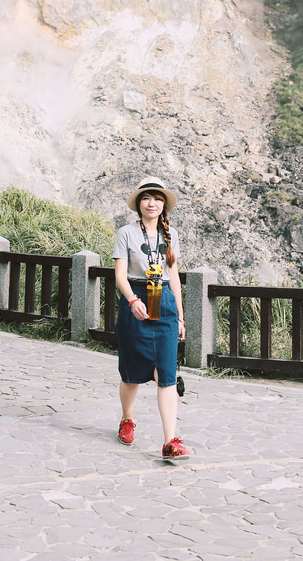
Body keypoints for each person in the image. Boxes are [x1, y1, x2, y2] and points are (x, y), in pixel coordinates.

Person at [113, 177, 189, 460]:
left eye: (157, 199)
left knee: (167, 373)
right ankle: (127, 418)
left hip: (164, 303)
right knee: (131, 371)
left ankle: (170, 441)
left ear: (164, 204)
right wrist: (133, 300)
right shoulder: (126, 233)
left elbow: (174, 278)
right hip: (136, 299)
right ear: (139, 203)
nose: (152, 203)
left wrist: (180, 317)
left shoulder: (171, 235)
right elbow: (120, 275)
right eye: (146, 198)